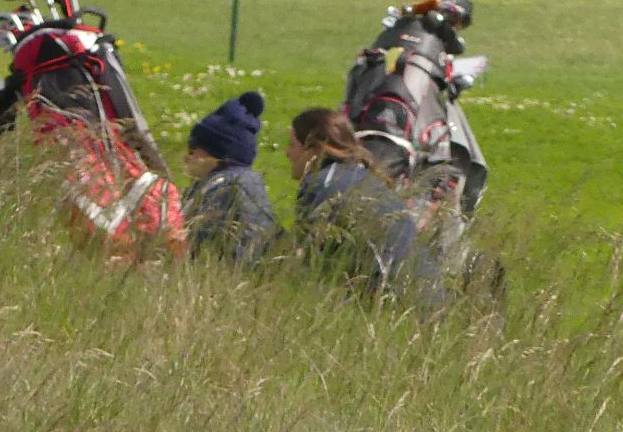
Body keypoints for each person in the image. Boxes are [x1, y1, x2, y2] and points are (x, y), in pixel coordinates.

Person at [285, 107, 446, 305]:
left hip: (391, 299)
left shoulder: (321, 185)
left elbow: (311, 264)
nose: (287, 153)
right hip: (427, 292)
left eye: (292, 145)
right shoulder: (364, 176)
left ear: (314, 150)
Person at [181, 92, 279, 267]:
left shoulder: (221, 187)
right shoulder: (247, 180)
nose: (187, 157)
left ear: (218, 154)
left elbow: (191, 243)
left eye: (193, 148)